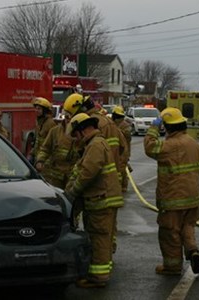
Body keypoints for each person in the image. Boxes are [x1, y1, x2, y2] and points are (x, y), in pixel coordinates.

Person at [64, 113, 124, 288]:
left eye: (75, 134)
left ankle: (98, 278)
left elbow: (87, 173)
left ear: (83, 130)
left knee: (99, 238)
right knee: (101, 237)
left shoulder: (96, 145)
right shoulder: (95, 143)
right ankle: (100, 272)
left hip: (101, 200)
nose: (75, 139)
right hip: (102, 199)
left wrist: (72, 193)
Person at [144, 107, 199, 276]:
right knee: (187, 227)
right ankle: (192, 250)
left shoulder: (170, 145)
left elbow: (150, 147)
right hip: (192, 197)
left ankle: (172, 266)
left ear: (168, 126)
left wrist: (154, 128)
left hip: (173, 198)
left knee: (170, 232)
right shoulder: (193, 143)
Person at [35, 112, 80, 189]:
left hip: (72, 178)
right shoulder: (55, 131)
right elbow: (45, 149)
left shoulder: (81, 134)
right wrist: (40, 161)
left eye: (71, 118)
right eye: (66, 117)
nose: (68, 120)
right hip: (55, 177)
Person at [111, 105, 132, 193]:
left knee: (122, 169)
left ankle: (123, 187)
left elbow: (128, 136)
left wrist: (118, 131)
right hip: (115, 150)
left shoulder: (125, 125)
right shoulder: (111, 124)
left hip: (124, 151)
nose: (118, 119)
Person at [29, 97, 56, 164]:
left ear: (45, 110)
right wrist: (32, 154)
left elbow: (53, 143)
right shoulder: (39, 123)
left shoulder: (50, 123)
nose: (36, 110)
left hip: (46, 160)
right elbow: (37, 141)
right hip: (38, 158)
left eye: (39, 109)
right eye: (36, 108)